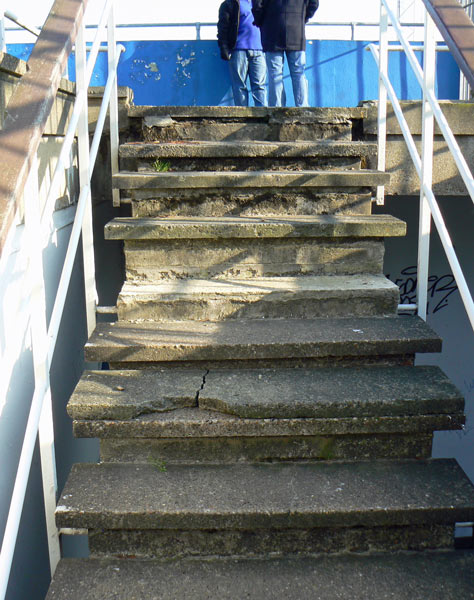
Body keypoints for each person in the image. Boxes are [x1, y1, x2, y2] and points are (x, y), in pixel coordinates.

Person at [252, 0, 318, 107]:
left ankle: (276, 108)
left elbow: (257, 5)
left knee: (275, 74)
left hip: (272, 29)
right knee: (298, 72)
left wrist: (261, 21)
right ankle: (303, 107)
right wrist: (302, 17)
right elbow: (314, 3)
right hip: (296, 30)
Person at [217, 0, 267, 107]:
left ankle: (263, 114)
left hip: (259, 50)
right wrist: (224, 47)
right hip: (238, 50)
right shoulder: (229, 4)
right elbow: (222, 27)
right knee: (239, 86)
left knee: (259, 86)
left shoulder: (260, 3)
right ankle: (242, 115)